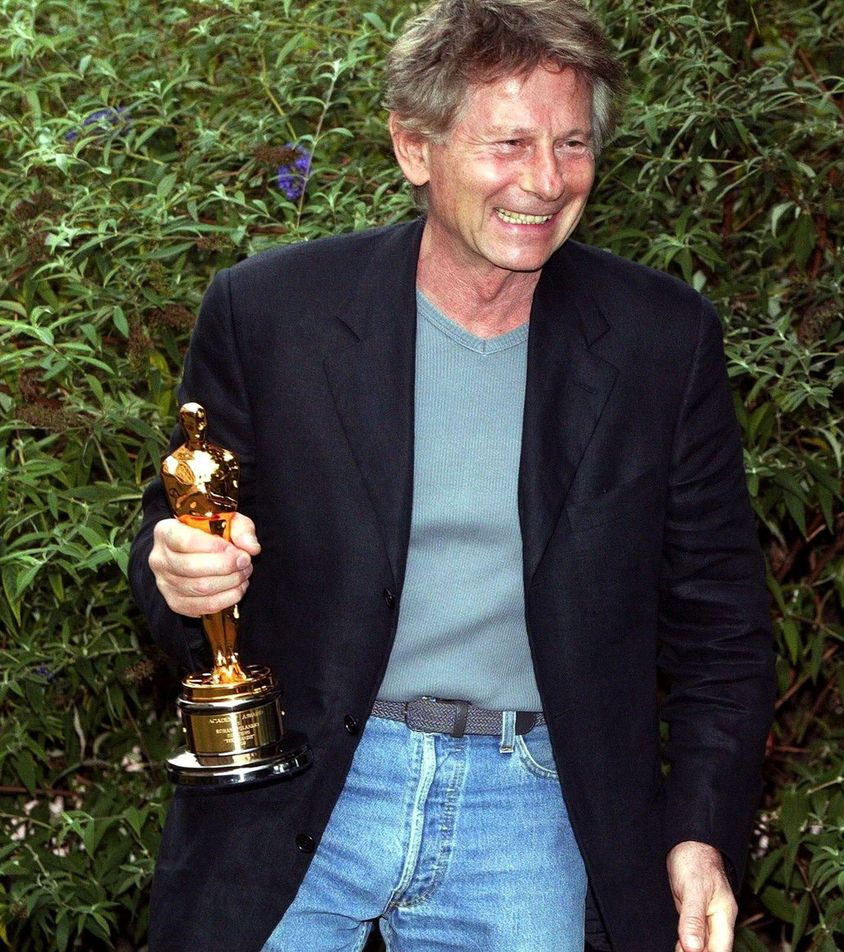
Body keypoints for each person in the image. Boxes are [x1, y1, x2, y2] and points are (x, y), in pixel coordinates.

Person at [129, 2, 775, 950]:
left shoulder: (659, 341)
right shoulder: (271, 315)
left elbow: (722, 618)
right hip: (307, 784)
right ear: (414, 148)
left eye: (571, 144)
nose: (546, 182)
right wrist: (179, 573)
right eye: (508, 143)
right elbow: (176, 539)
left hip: (537, 802)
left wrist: (702, 834)